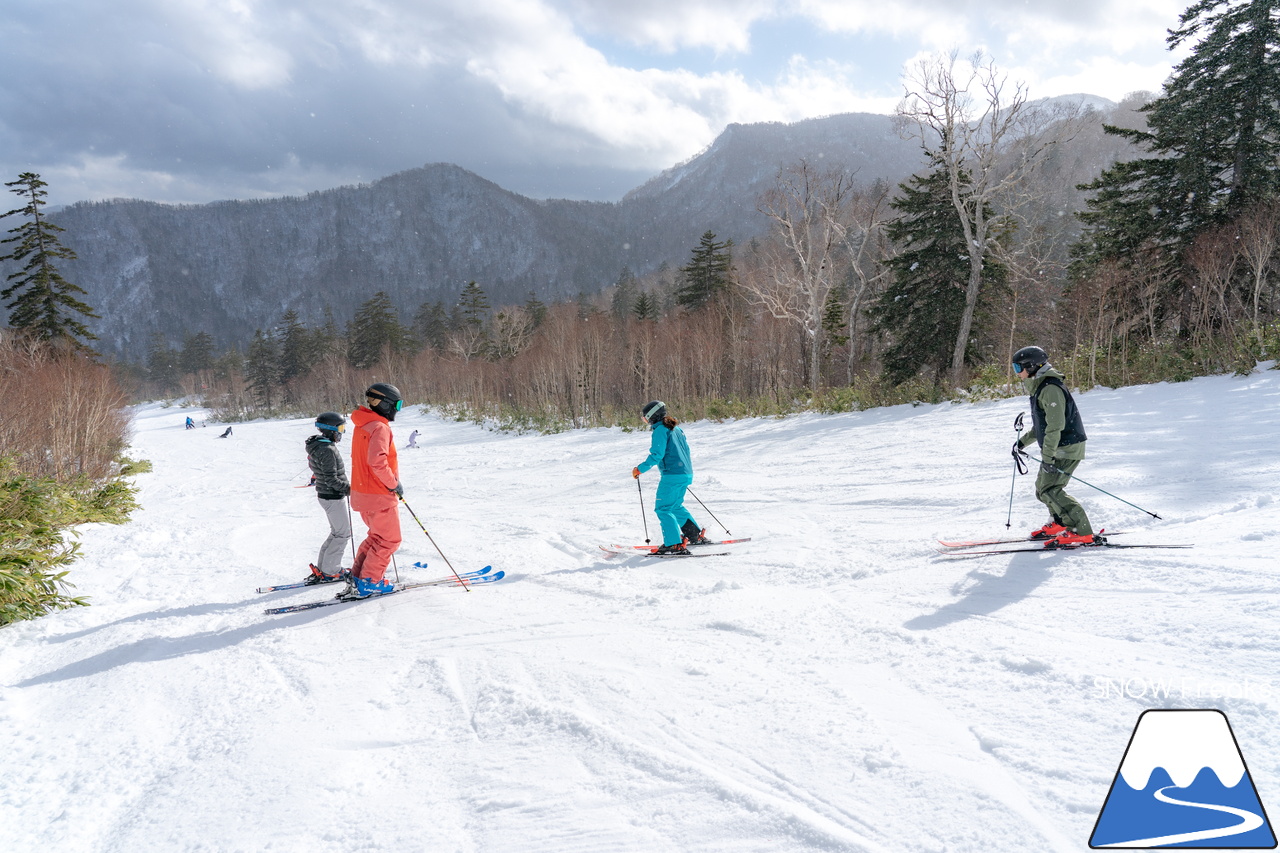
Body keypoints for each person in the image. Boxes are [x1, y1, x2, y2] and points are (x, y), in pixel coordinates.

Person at [1011, 346, 1102, 546]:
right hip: (1059, 446)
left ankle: (1081, 530)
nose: (1016, 372)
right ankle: (1059, 522)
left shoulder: (1050, 388)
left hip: (1067, 446)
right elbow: (1042, 426)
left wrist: (1048, 457)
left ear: (1031, 366)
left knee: (1051, 489)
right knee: (1042, 489)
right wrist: (1021, 443)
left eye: (1018, 367)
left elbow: (1055, 427)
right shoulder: (1040, 386)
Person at [342, 382, 405, 599]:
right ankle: (370, 582)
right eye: (397, 404)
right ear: (386, 404)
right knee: (389, 540)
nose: (398, 409)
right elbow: (377, 462)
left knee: (377, 537)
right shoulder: (379, 427)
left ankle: (359, 576)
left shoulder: (363, 425)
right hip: (378, 495)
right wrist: (394, 484)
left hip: (363, 494)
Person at [632, 400, 710, 556]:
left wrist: (639, 469)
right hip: (685, 473)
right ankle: (694, 535)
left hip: (672, 475)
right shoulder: (677, 429)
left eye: (645, 418)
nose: (646, 421)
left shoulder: (660, 430)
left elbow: (657, 455)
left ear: (652, 416)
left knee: (663, 508)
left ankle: (674, 544)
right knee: (675, 506)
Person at [304, 412, 352, 585]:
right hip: (332, 496)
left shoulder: (320, 446)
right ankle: (331, 571)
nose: (342, 432)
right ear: (331, 429)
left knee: (337, 532)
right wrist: (350, 490)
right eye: (340, 428)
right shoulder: (327, 449)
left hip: (327, 495)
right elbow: (331, 479)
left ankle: (325, 568)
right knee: (343, 534)